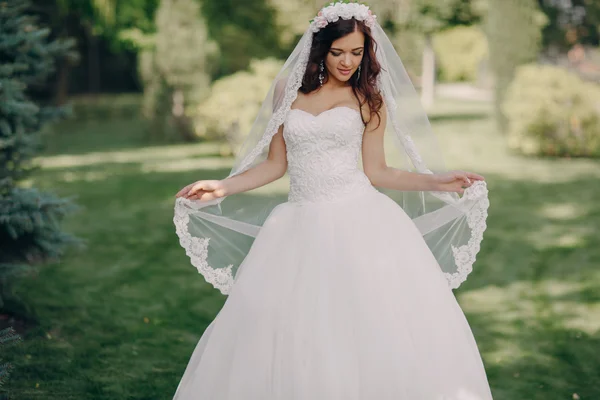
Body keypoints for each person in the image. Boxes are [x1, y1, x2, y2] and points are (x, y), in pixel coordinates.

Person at [172, 2, 493, 399]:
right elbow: (275, 164)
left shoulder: (367, 97)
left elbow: (379, 172)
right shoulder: (286, 90)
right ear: (320, 47)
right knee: (285, 328)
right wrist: (223, 186)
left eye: (357, 53)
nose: (347, 62)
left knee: (368, 327)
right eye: (338, 52)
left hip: (361, 221)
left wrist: (437, 181)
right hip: (298, 225)